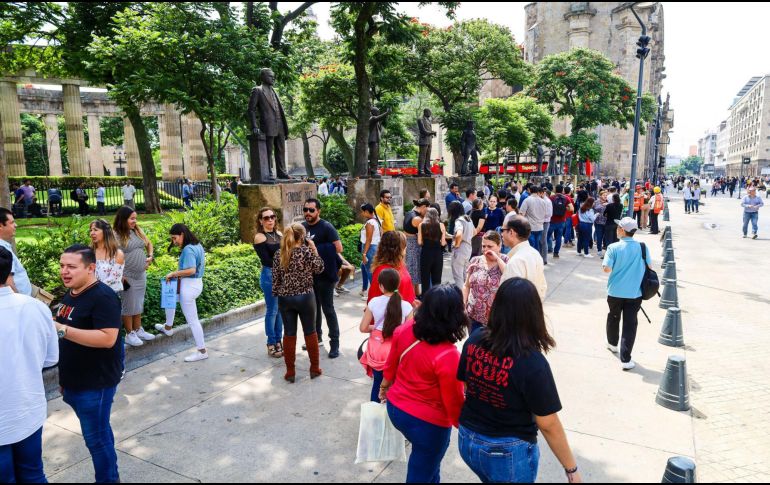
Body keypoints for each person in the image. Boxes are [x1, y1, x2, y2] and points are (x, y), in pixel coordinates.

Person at [458, 278, 581, 484]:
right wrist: (571, 469)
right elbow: (548, 423)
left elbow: (467, 385)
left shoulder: (475, 338)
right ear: (534, 314)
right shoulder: (532, 363)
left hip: (467, 439)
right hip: (505, 452)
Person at [379, 285, 467, 484]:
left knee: (430, 466)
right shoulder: (448, 355)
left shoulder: (405, 329)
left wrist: (384, 387)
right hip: (428, 425)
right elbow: (453, 402)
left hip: (396, 409)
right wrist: (465, 427)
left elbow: (390, 365)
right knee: (422, 470)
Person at [54, 244, 123, 483]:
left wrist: (60, 329)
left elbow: (107, 338)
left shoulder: (103, 297)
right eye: (62, 266)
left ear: (91, 268)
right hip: (75, 382)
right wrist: (65, 379)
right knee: (100, 433)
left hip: (96, 384)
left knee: (97, 440)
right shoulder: (72, 293)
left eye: (71, 267)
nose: (64, 271)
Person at [0, 247, 58, 483]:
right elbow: (51, 358)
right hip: (28, 409)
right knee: (33, 474)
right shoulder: (36, 307)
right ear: (9, 274)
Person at [272, 223, 324, 382]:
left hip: (286, 298)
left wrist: (278, 295)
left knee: (289, 334)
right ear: (302, 237)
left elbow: (276, 280)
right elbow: (320, 268)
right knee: (310, 332)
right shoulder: (306, 252)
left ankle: (290, 372)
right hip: (305, 297)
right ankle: (314, 368)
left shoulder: (279, 254)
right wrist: (314, 249)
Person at [602, 217, 652, 371]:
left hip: (615, 292)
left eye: (618, 227)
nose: (617, 229)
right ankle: (626, 359)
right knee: (630, 324)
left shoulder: (613, 247)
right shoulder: (642, 247)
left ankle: (612, 344)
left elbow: (606, 269)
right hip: (634, 293)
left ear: (623, 230)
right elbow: (650, 267)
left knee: (613, 316)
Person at [155, 224, 209, 362]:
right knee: (170, 297)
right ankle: (168, 327)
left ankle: (202, 351)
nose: (174, 242)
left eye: (175, 238)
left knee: (193, 321)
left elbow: (191, 270)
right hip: (195, 284)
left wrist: (173, 273)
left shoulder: (188, 249)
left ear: (182, 234)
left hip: (189, 287)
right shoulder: (197, 245)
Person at [359, 268, 414, 402]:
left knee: (378, 384)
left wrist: (376, 328)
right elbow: (410, 334)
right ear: (398, 284)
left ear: (381, 286)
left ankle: (374, 412)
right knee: (395, 386)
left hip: (377, 353)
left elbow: (363, 328)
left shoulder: (373, 302)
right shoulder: (406, 306)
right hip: (396, 353)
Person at [302, 198, 343, 358]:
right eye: (305, 210)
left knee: (328, 309)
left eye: (311, 210)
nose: (308, 213)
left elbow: (339, 248)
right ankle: (316, 338)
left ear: (318, 211)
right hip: (309, 275)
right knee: (313, 309)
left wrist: (315, 249)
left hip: (325, 275)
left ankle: (334, 343)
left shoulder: (326, 227)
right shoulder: (302, 227)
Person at [114, 207, 155, 347]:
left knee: (138, 302)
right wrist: (120, 275)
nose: (134, 221)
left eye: (135, 218)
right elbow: (111, 256)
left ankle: (138, 329)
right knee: (128, 305)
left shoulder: (136, 230)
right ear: (123, 219)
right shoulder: (115, 235)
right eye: (132, 218)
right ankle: (129, 333)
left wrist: (150, 256)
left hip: (141, 274)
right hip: (127, 276)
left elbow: (149, 243)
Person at [463, 231, 508, 333]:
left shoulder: (505, 260)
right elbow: (466, 286)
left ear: (499, 246)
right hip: (474, 316)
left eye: (490, 246)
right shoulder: (475, 260)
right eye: (483, 246)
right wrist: (463, 304)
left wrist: (497, 259)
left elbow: (509, 275)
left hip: (496, 318)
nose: (486, 249)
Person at [253, 207, 284, 358]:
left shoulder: (279, 234)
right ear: (261, 221)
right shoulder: (260, 237)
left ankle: (279, 340)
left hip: (282, 274)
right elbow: (266, 260)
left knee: (280, 310)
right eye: (266, 218)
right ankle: (271, 342)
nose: (270, 220)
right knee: (272, 310)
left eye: (272, 216)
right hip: (269, 275)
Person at [500, 216, 547, 301]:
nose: (501, 234)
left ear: (511, 232)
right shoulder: (534, 253)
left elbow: (512, 297)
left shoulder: (516, 261)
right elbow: (542, 287)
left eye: (502, 230)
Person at [369, 231, 417, 305]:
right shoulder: (382, 271)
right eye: (404, 246)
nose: (406, 248)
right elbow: (373, 299)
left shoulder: (400, 265)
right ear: (398, 249)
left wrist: (412, 302)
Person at [0, 208, 32, 296]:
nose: (15, 225)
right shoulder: (2, 250)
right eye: (11, 223)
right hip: (18, 301)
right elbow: (8, 283)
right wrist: (20, 301)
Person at [90, 219, 125, 296]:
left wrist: (93, 290)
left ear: (106, 232)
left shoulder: (117, 254)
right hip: (91, 294)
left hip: (110, 295)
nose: (92, 233)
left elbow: (113, 279)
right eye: (91, 230)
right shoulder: (90, 252)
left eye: (95, 230)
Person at [418, 207, 447, 294]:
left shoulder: (421, 225)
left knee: (425, 279)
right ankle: (437, 299)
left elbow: (419, 242)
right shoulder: (441, 225)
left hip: (425, 253)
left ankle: (425, 299)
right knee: (437, 280)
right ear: (437, 215)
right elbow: (443, 243)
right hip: (437, 254)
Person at [404, 199, 429, 297]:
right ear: (423, 207)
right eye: (427, 209)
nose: (427, 212)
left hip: (408, 243)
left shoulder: (408, 213)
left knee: (413, 270)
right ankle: (412, 296)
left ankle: (416, 294)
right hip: (414, 244)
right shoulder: (418, 219)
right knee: (414, 271)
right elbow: (425, 234)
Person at [359, 203, 382, 300]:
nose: (362, 214)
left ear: (367, 211)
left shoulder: (370, 223)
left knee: (370, 271)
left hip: (370, 248)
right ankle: (364, 289)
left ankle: (374, 294)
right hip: (374, 247)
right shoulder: (377, 220)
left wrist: (364, 254)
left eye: (362, 212)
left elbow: (369, 239)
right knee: (363, 266)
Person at [449, 200, 474, 288]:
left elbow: (459, 234)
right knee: (465, 276)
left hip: (460, 249)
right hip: (468, 248)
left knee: (458, 277)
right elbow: (474, 232)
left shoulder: (459, 220)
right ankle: (466, 295)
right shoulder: (468, 219)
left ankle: (460, 295)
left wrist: (456, 244)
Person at [548, 185, 574, 259]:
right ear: (562, 190)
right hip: (561, 221)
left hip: (552, 220)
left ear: (555, 190)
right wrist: (564, 208)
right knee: (559, 237)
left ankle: (545, 250)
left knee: (547, 236)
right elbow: (572, 209)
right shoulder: (566, 198)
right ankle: (556, 253)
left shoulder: (551, 198)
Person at [593, 191, 609, 257]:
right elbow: (595, 208)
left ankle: (606, 249)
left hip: (606, 222)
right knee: (599, 236)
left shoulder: (608, 202)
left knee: (606, 237)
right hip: (598, 222)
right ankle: (599, 250)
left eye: (606, 195)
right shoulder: (597, 202)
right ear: (600, 196)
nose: (605, 196)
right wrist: (603, 204)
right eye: (604, 195)